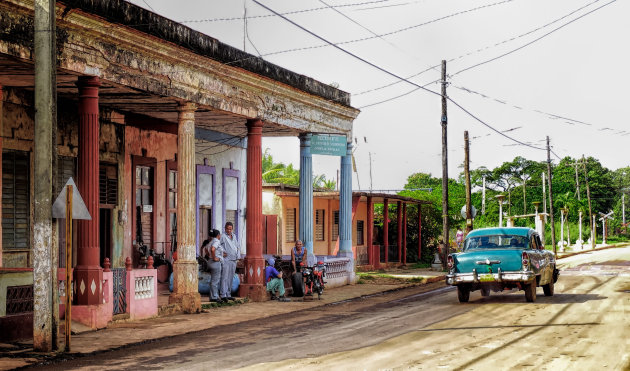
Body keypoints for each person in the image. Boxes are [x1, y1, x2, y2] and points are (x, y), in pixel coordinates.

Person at [219, 222, 240, 301]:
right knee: (224, 277)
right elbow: (218, 245)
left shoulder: (234, 236)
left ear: (232, 229)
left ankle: (228, 294)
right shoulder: (223, 236)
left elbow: (237, 246)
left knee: (230, 277)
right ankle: (223, 294)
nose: (229, 230)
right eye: (227, 229)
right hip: (226, 260)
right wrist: (222, 252)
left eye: (230, 229)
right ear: (225, 229)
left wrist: (238, 255)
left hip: (233, 260)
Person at [204, 229, 223, 303]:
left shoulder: (210, 241)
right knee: (215, 280)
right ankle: (214, 296)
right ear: (218, 235)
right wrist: (214, 257)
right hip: (215, 262)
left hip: (210, 262)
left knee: (213, 280)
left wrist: (209, 256)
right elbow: (212, 249)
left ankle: (212, 296)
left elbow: (206, 249)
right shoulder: (216, 241)